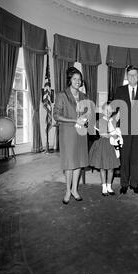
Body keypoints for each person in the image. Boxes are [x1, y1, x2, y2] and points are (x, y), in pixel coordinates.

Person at [53, 67, 91, 205]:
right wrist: (75, 120)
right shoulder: (62, 95)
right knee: (69, 164)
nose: (77, 81)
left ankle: (75, 189)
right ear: (70, 80)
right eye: (74, 78)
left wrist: (86, 120)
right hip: (68, 134)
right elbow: (56, 115)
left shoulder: (84, 96)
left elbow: (88, 114)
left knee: (79, 163)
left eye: (79, 79)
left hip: (81, 133)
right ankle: (67, 191)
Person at [114, 65, 138, 194]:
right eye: (130, 75)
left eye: (135, 75)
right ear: (126, 77)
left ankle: (134, 184)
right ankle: (124, 184)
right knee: (125, 157)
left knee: (137, 157)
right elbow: (116, 110)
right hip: (124, 129)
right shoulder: (120, 90)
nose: (132, 77)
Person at [89, 102, 121, 196]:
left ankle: (109, 186)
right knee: (103, 167)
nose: (108, 111)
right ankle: (103, 187)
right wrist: (113, 135)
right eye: (106, 110)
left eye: (110, 109)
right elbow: (103, 134)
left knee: (111, 168)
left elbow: (119, 113)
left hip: (112, 146)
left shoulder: (113, 120)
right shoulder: (101, 121)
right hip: (103, 145)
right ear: (102, 111)